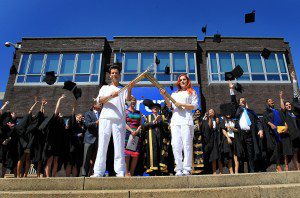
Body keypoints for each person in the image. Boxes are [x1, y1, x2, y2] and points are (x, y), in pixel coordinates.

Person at [91, 65, 134, 177]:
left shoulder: (123, 89)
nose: (114, 74)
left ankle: (120, 172)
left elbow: (128, 103)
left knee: (119, 146)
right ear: (110, 75)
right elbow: (100, 101)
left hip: (119, 119)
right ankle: (98, 172)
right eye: (112, 73)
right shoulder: (104, 88)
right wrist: (111, 96)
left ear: (119, 75)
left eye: (116, 73)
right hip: (105, 118)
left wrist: (129, 90)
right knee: (102, 145)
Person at [160, 74, 198, 176]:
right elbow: (169, 106)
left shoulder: (192, 92)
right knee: (176, 145)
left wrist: (182, 105)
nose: (182, 81)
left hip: (186, 121)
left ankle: (187, 168)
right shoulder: (174, 94)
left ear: (187, 81)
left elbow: (194, 106)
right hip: (175, 122)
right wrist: (164, 95)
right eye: (180, 80)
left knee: (187, 145)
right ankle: (178, 168)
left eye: (184, 79)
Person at [231, 84, 264, 173]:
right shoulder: (237, 110)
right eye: (241, 101)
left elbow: (257, 121)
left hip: (250, 135)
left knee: (251, 154)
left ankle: (252, 172)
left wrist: (260, 129)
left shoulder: (250, 112)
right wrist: (231, 89)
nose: (243, 101)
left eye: (244, 101)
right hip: (240, 135)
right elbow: (233, 102)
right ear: (239, 103)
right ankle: (241, 173)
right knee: (241, 154)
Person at [263, 96, 292, 171]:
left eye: (272, 100)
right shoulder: (266, 112)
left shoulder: (277, 110)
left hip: (282, 131)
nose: (271, 101)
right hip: (274, 133)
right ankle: (278, 165)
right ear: (267, 103)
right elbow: (265, 119)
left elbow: (283, 115)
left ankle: (286, 165)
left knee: (284, 149)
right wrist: (270, 124)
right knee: (277, 150)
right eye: (269, 101)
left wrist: (281, 98)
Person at [142, 101, 170, 175]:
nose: (155, 108)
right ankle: (152, 169)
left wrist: (160, 122)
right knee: (152, 152)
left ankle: (161, 170)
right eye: (154, 108)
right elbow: (144, 126)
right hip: (151, 137)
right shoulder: (148, 117)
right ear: (151, 109)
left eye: (157, 108)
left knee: (161, 152)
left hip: (161, 137)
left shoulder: (162, 117)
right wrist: (154, 122)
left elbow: (167, 126)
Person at [41, 94, 66, 177]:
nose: (60, 114)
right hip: (51, 142)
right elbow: (57, 108)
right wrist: (60, 99)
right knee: (50, 160)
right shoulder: (53, 120)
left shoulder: (60, 122)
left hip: (57, 143)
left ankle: (53, 176)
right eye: (59, 114)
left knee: (56, 160)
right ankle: (48, 176)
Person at [280, 90, 300, 170]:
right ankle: (298, 169)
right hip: (293, 135)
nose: (288, 106)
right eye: (286, 105)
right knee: (295, 153)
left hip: (299, 133)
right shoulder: (286, 113)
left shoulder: (294, 112)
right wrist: (281, 98)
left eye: (289, 104)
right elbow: (282, 107)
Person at [65, 101, 85, 177]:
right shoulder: (72, 123)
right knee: (70, 163)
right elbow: (72, 116)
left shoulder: (82, 125)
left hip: (79, 146)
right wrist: (74, 107)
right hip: (72, 146)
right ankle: (67, 178)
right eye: (78, 117)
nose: (79, 118)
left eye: (81, 117)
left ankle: (74, 178)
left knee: (76, 164)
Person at [124, 96, 142, 176]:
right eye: (131, 100)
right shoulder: (125, 111)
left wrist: (137, 131)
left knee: (135, 154)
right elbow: (123, 123)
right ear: (128, 102)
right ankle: (126, 172)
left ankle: (132, 172)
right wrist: (131, 131)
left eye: (134, 100)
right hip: (128, 133)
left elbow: (141, 124)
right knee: (127, 154)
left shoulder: (138, 112)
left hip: (136, 134)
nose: (133, 102)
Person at [82, 103, 101, 176]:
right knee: (86, 157)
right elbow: (87, 124)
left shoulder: (102, 114)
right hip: (89, 139)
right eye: (99, 104)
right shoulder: (88, 113)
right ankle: (84, 174)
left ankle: (94, 173)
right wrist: (96, 122)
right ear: (94, 105)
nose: (100, 105)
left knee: (96, 158)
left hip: (98, 139)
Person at [202, 109, 223, 174]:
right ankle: (214, 171)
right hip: (211, 139)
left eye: (212, 112)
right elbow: (209, 127)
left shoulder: (217, 119)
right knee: (213, 155)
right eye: (209, 112)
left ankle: (221, 171)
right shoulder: (206, 120)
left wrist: (217, 120)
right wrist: (209, 118)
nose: (211, 113)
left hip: (218, 138)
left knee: (219, 155)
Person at [192, 109, 205, 174]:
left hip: (200, 138)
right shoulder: (192, 119)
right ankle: (194, 168)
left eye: (198, 112)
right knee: (194, 153)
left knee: (200, 153)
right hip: (194, 138)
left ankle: (200, 168)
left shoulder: (202, 119)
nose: (197, 113)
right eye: (196, 112)